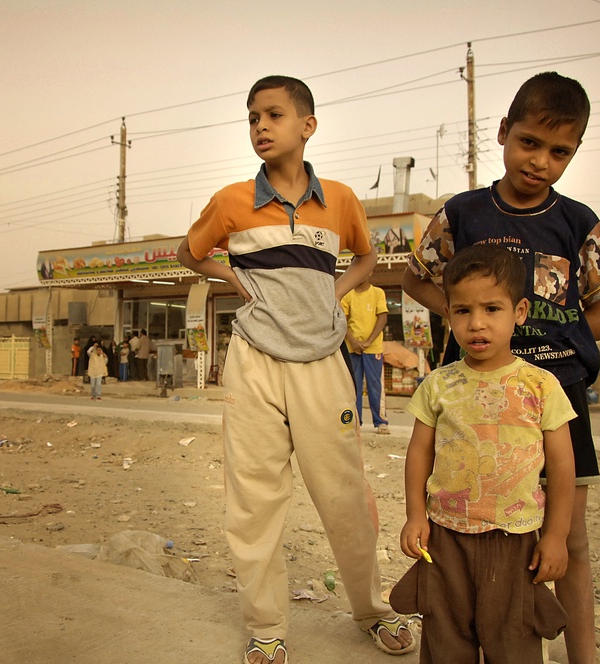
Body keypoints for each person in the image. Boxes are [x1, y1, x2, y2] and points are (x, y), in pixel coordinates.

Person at [177, 75, 413, 664]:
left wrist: (334, 293)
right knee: (253, 500)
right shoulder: (232, 201)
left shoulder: (339, 199)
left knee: (344, 495)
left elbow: (367, 257)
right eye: (253, 116)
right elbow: (189, 252)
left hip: (321, 363)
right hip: (253, 362)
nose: (261, 125)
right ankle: (266, 628)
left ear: (307, 126)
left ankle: (371, 610)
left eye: (274, 115)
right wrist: (234, 280)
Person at [402, 71, 600, 663]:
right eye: (530, 142)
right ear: (504, 132)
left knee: (567, 540)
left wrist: (533, 341)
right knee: (471, 531)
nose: (541, 162)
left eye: (561, 152)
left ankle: (583, 657)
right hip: (472, 399)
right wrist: (469, 319)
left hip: (558, 398)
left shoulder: (580, 223)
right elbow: (414, 279)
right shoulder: (461, 214)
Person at [393, 244, 577, 663]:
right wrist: (415, 515)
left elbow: (564, 467)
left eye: (492, 308)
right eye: (462, 311)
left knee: (513, 638)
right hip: (446, 537)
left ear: (520, 311)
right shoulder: (438, 385)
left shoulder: (541, 385)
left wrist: (556, 537)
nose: (477, 324)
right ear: (449, 313)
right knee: (445, 635)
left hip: (514, 542)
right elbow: (419, 452)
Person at [341, 273, 390, 434]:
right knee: (353, 386)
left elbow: (382, 318)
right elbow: (343, 320)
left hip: (373, 348)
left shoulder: (377, 293)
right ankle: (355, 421)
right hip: (352, 348)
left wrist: (368, 341)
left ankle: (381, 421)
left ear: (369, 272)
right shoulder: (348, 295)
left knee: (375, 385)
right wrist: (353, 341)